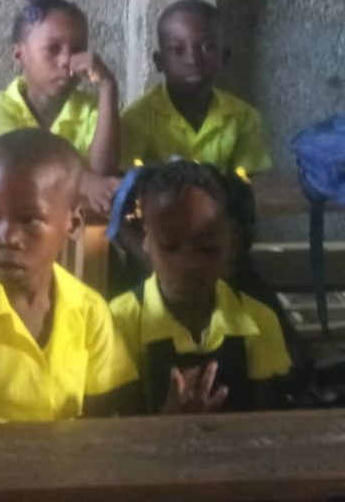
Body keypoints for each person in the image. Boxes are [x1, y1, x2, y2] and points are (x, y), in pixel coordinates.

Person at [0, 129, 136, 423]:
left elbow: (99, 424)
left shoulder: (90, 311)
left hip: (69, 462)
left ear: (72, 224)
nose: (5, 237)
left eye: (30, 220)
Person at [109, 161, 292, 413]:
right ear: (146, 241)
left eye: (207, 248)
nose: (190, 264)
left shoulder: (259, 321)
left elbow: (268, 423)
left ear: (232, 242)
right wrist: (167, 427)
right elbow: (114, 430)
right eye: (170, 247)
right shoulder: (118, 322)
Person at [0, 0, 120, 212]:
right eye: (52, 49)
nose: (66, 60)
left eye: (77, 49)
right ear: (19, 55)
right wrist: (85, 183)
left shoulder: (93, 109)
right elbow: (21, 164)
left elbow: (103, 179)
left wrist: (108, 87)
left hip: (78, 242)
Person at [120, 0, 272, 174]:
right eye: (177, 50)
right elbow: (126, 182)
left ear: (225, 57)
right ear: (159, 61)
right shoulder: (137, 118)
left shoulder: (243, 117)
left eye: (207, 48)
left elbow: (249, 183)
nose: (193, 59)